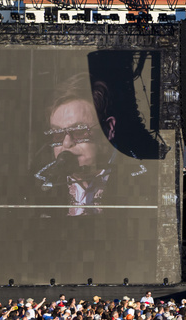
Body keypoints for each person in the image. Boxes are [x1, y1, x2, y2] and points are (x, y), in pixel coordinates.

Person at [34, 73, 148, 216]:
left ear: (109, 129)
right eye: (57, 133)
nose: (66, 143)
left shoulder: (144, 182)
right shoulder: (36, 185)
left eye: (79, 131)